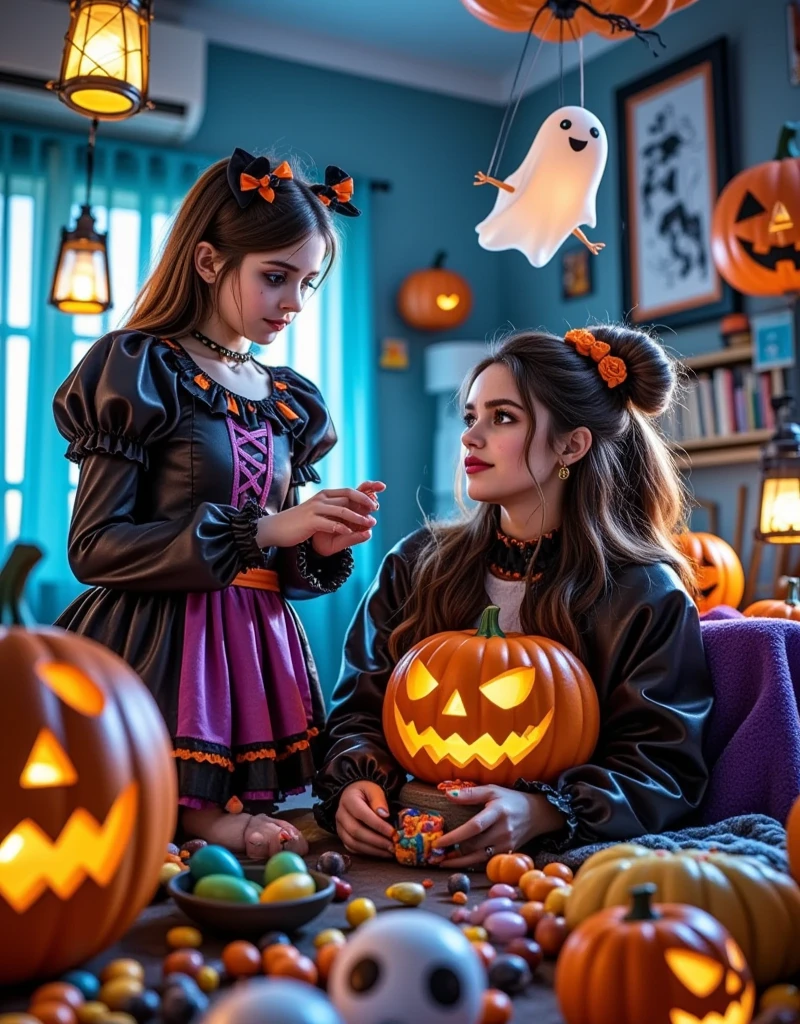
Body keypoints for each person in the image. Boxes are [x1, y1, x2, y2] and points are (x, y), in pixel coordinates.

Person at [54, 148, 384, 860]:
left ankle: (211, 822)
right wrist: (267, 525)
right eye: (275, 277)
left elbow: (272, 549)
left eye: (308, 283)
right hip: (159, 647)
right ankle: (193, 819)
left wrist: (315, 541)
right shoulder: (139, 367)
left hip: (258, 649)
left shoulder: (290, 399)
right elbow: (95, 547)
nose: (294, 302)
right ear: (207, 261)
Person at [315, 324, 713, 867]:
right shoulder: (414, 565)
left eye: (502, 417)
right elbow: (358, 711)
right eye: (471, 416)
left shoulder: (643, 593)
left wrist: (542, 811)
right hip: (408, 853)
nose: (471, 437)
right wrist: (353, 786)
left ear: (571, 445)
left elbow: (662, 763)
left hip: (544, 869)